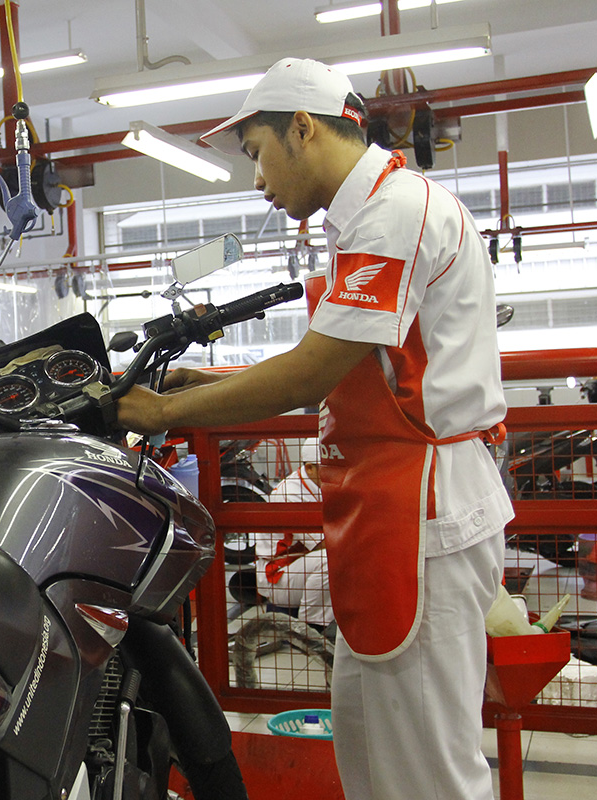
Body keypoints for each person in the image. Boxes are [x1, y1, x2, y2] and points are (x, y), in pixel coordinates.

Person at [118, 57, 512, 800]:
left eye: (257, 153)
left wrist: (163, 411)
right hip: (388, 509)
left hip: (425, 512)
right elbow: (339, 364)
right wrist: (204, 382)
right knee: (373, 756)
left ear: (301, 128)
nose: (257, 179)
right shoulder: (364, 219)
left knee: (429, 771)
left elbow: (310, 373)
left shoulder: (396, 214)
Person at [253, 453, 333, 628]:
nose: (334, 474)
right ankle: (309, 627)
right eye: (327, 469)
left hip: (301, 567)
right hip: (279, 576)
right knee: (330, 559)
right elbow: (322, 545)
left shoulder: (319, 485)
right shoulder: (290, 493)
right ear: (310, 468)